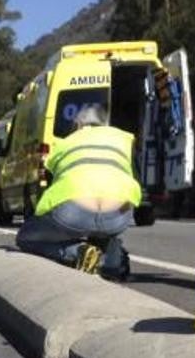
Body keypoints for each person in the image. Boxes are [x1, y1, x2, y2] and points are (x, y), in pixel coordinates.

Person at [15, 105, 140, 278]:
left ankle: (79, 252)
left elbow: (51, 184)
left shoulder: (64, 143)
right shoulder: (124, 139)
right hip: (117, 216)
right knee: (103, 231)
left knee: (26, 238)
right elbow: (134, 175)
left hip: (73, 214)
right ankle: (113, 259)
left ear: (79, 125)